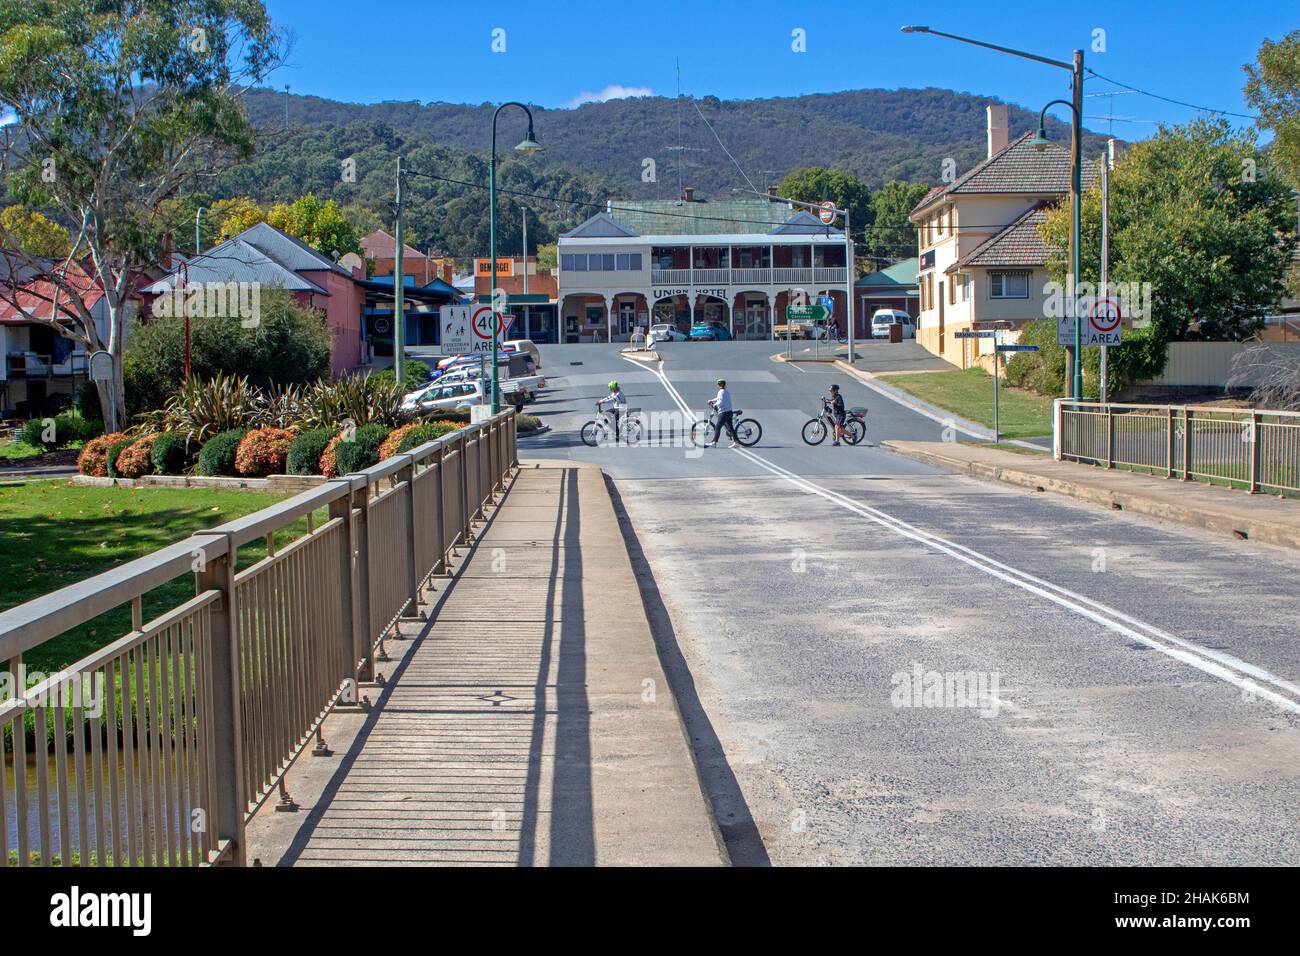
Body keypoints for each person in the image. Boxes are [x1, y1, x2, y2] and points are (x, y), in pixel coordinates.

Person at [707, 378, 737, 448]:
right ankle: (737, 442)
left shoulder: (721, 392)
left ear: (719, 385)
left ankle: (714, 442)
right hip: (729, 412)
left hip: (724, 413)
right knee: (730, 428)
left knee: (717, 427)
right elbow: (718, 398)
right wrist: (712, 400)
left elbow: (720, 401)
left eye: (719, 384)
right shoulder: (726, 391)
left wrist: (714, 405)